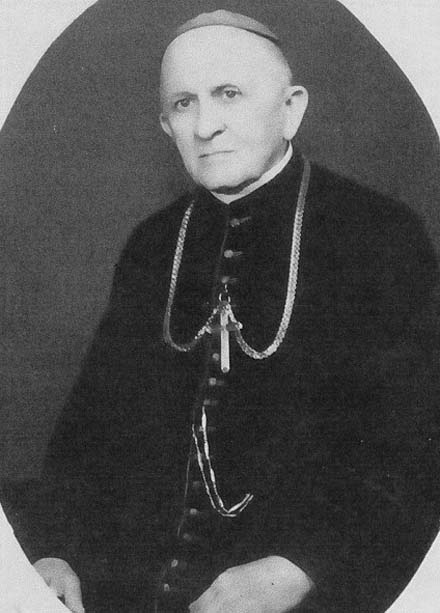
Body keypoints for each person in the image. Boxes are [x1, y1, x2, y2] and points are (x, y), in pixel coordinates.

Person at [29, 9, 440, 613]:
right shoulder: (152, 244)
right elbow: (93, 423)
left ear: (291, 109)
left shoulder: (377, 235)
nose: (206, 126)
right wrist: (54, 551)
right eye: (183, 104)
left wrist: (303, 565)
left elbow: (414, 445)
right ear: (166, 126)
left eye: (228, 94)